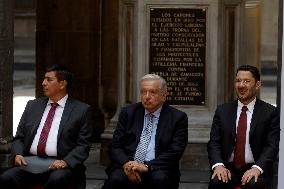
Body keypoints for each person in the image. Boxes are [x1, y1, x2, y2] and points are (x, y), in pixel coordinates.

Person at [0, 65, 94, 188]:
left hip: (60, 165)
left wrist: (65, 162)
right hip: (30, 163)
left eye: (49, 80)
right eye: (44, 79)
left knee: (58, 179)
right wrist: (17, 154)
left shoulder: (81, 110)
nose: (43, 83)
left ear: (62, 84)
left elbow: (83, 145)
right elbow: (19, 137)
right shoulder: (33, 105)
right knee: (6, 178)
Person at [102, 74, 188, 189]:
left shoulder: (177, 118)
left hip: (158, 166)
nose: (146, 97)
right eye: (143, 92)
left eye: (152, 92)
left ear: (164, 95)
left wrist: (147, 166)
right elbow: (115, 146)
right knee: (116, 179)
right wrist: (127, 164)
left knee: (160, 180)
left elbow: (175, 151)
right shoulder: (128, 113)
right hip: (128, 164)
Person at [207, 65, 280, 189]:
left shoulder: (270, 112)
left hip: (255, 167)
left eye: (246, 81)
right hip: (227, 167)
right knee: (217, 181)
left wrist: (257, 168)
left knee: (255, 184)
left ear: (257, 85)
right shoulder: (223, 111)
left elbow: (271, 146)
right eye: (238, 81)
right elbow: (214, 142)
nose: (241, 85)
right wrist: (218, 165)